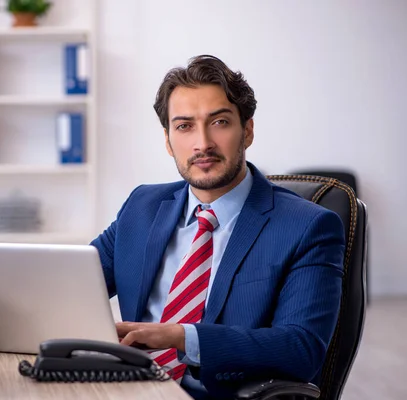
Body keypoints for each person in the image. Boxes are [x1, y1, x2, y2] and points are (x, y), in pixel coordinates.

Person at [90, 55, 345, 399]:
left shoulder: (308, 226)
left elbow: (301, 348)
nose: (202, 143)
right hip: (123, 387)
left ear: (248, 130)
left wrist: (182, 336)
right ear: (168, 140)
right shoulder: (141, 207)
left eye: (220, 122)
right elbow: (74, 283)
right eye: (184, 126)